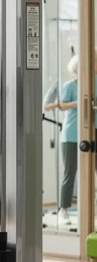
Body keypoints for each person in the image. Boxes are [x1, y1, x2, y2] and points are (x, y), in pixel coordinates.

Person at [55, 55, 80, 228]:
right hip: (71, 135)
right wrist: (78, 102)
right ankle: (63, 210)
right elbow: (62, 105)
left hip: (91, 133)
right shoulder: (70, 86)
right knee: (69, 174)